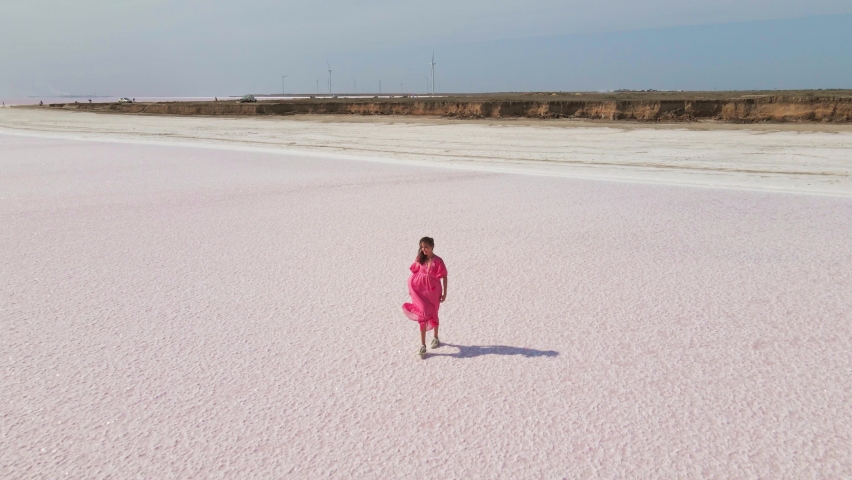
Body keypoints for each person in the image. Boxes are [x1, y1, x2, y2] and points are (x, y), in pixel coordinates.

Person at [402, 236, 448, 357]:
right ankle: (422, 345)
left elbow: (444, 276)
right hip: (420, 291)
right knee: (422, 315)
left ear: (432, 246)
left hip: (434, 291)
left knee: (433, 313)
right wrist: (412, 290)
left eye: (426, 247)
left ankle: (436, 337)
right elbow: (415, 273)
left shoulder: (438, 261)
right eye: (422, 247)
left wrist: (445, 293)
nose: (423, 249)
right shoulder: (420, 259)